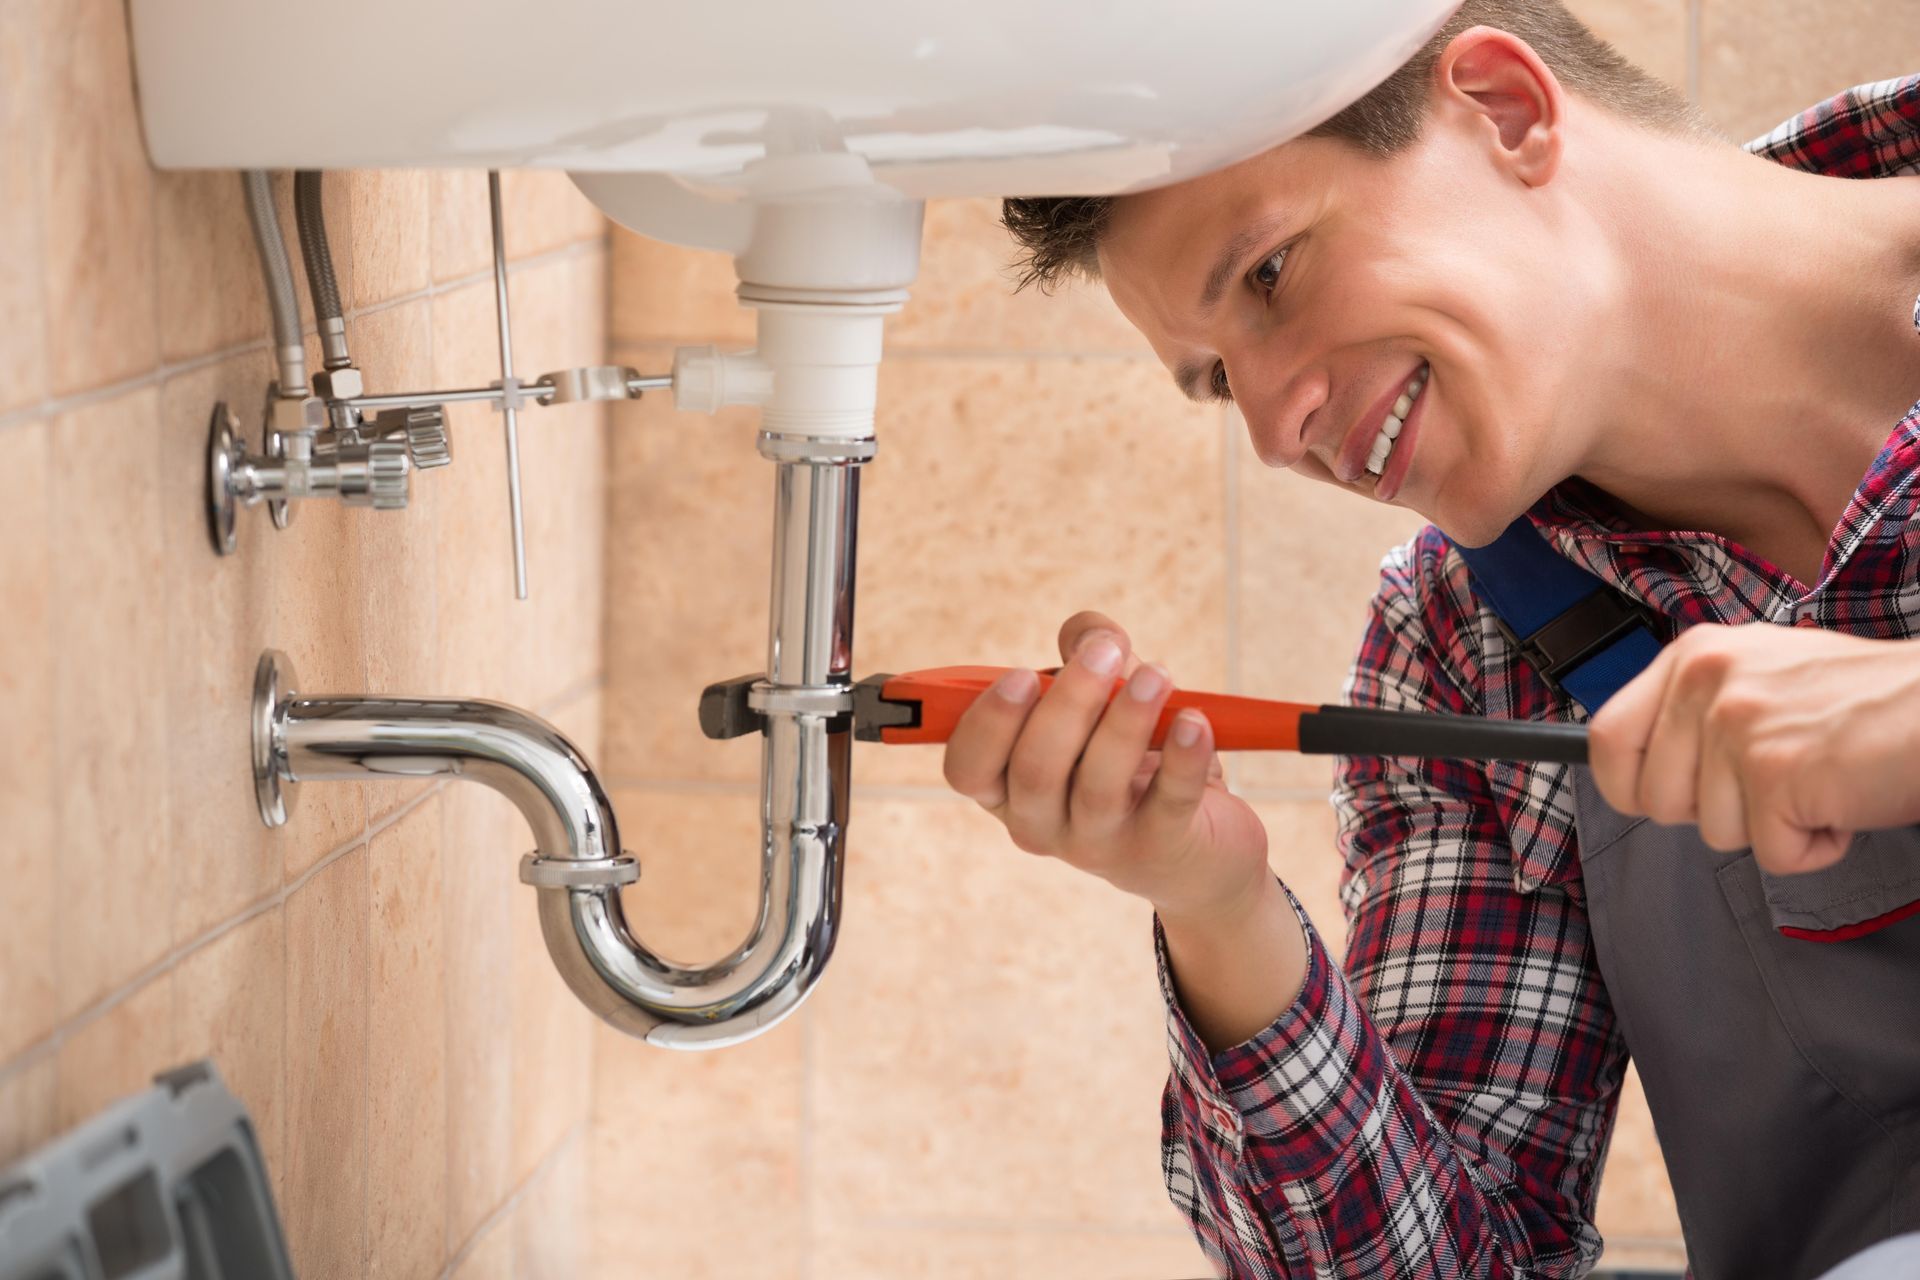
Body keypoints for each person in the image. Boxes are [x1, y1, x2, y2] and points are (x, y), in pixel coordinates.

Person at [937, 2, 1920, 1276]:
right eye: (1220, 378)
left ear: (1505, 109)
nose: (1277, 433)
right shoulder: (1468, 641)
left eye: (1272, 273)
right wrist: (1219, 906)